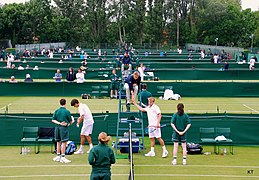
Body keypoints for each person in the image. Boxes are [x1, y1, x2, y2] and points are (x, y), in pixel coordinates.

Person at [52, 99, 73, 163]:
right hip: (63, 128)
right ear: (65, 103)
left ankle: (58, 156)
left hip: (57, 128)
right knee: (64, 143)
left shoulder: (56, 111)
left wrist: (59, 123)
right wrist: (67, 123)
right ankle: (63, 157)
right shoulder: (67, 111)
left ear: (60, 103)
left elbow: (53, 120)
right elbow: (70, 121)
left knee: (58, 142)